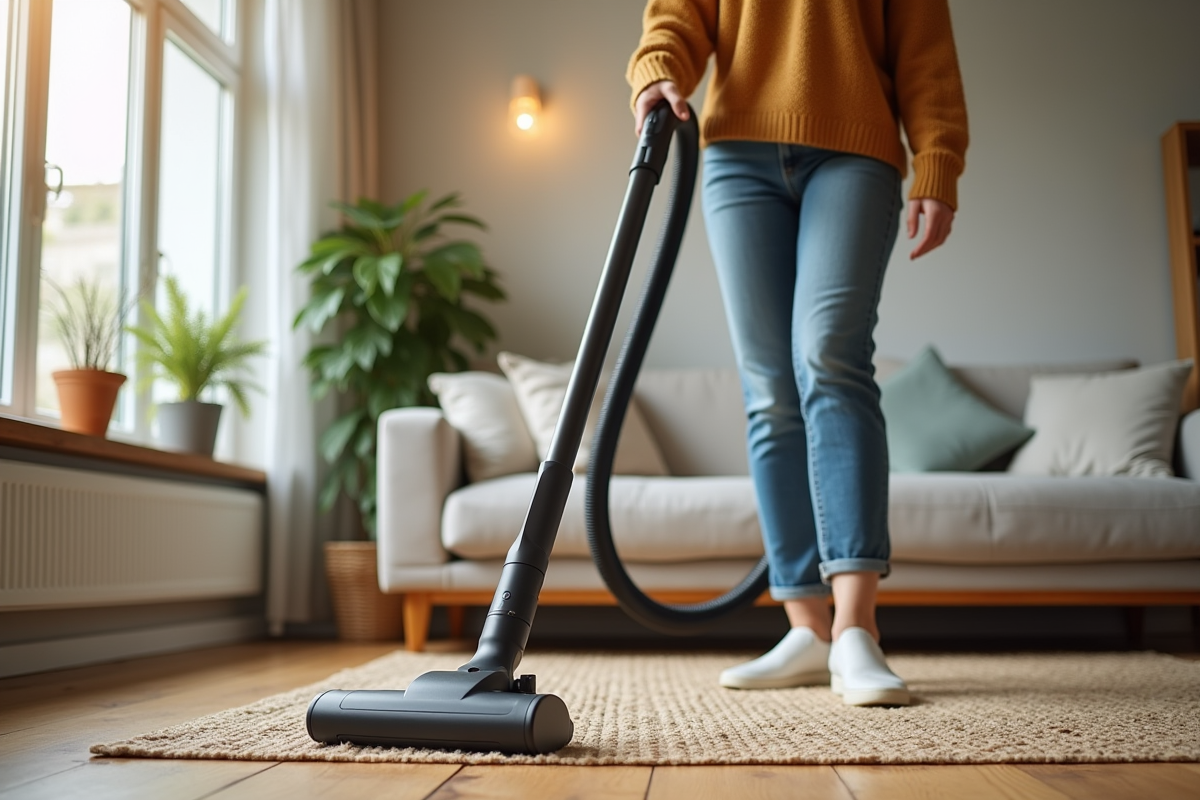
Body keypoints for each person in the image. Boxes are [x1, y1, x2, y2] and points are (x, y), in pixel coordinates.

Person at [627, 0, 968, 706]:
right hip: (736, 154)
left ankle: (856, 630)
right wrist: (659, 72)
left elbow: (925, 49)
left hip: (856, 146)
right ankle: (808, 630)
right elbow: (678, 16)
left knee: (828, 359)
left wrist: (937, 159)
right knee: (769, 386)